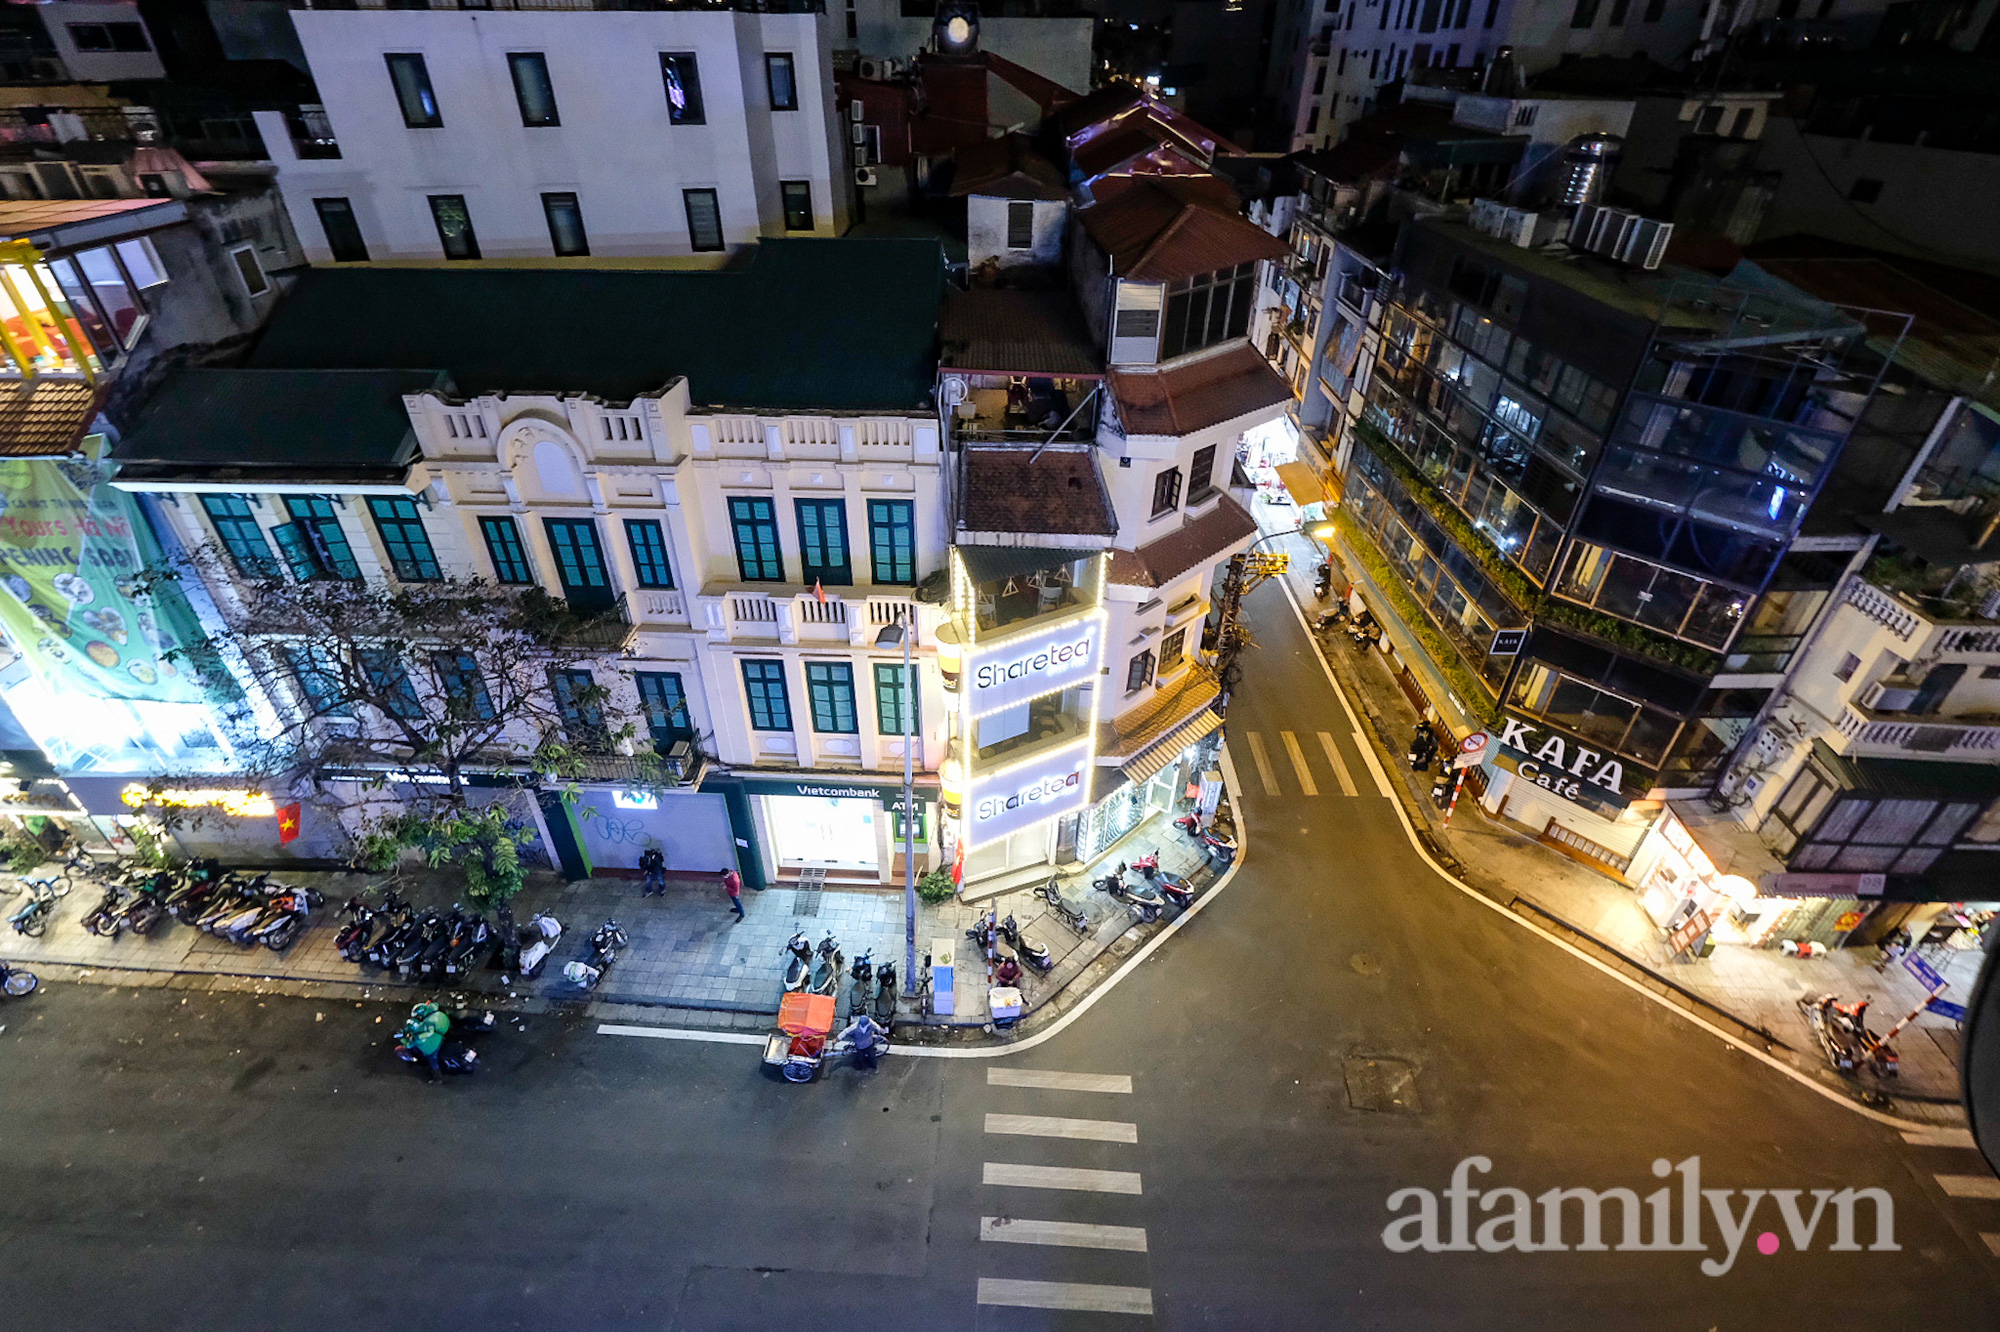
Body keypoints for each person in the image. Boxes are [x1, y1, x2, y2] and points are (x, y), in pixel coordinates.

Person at [403, 1002, 451, 1082]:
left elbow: (408, 1045)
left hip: (433, 1048)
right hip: (441, 1035)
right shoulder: (426, 1024)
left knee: (433, 1061)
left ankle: (437, 1079)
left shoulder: (418, 1037)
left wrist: (403, 1039)